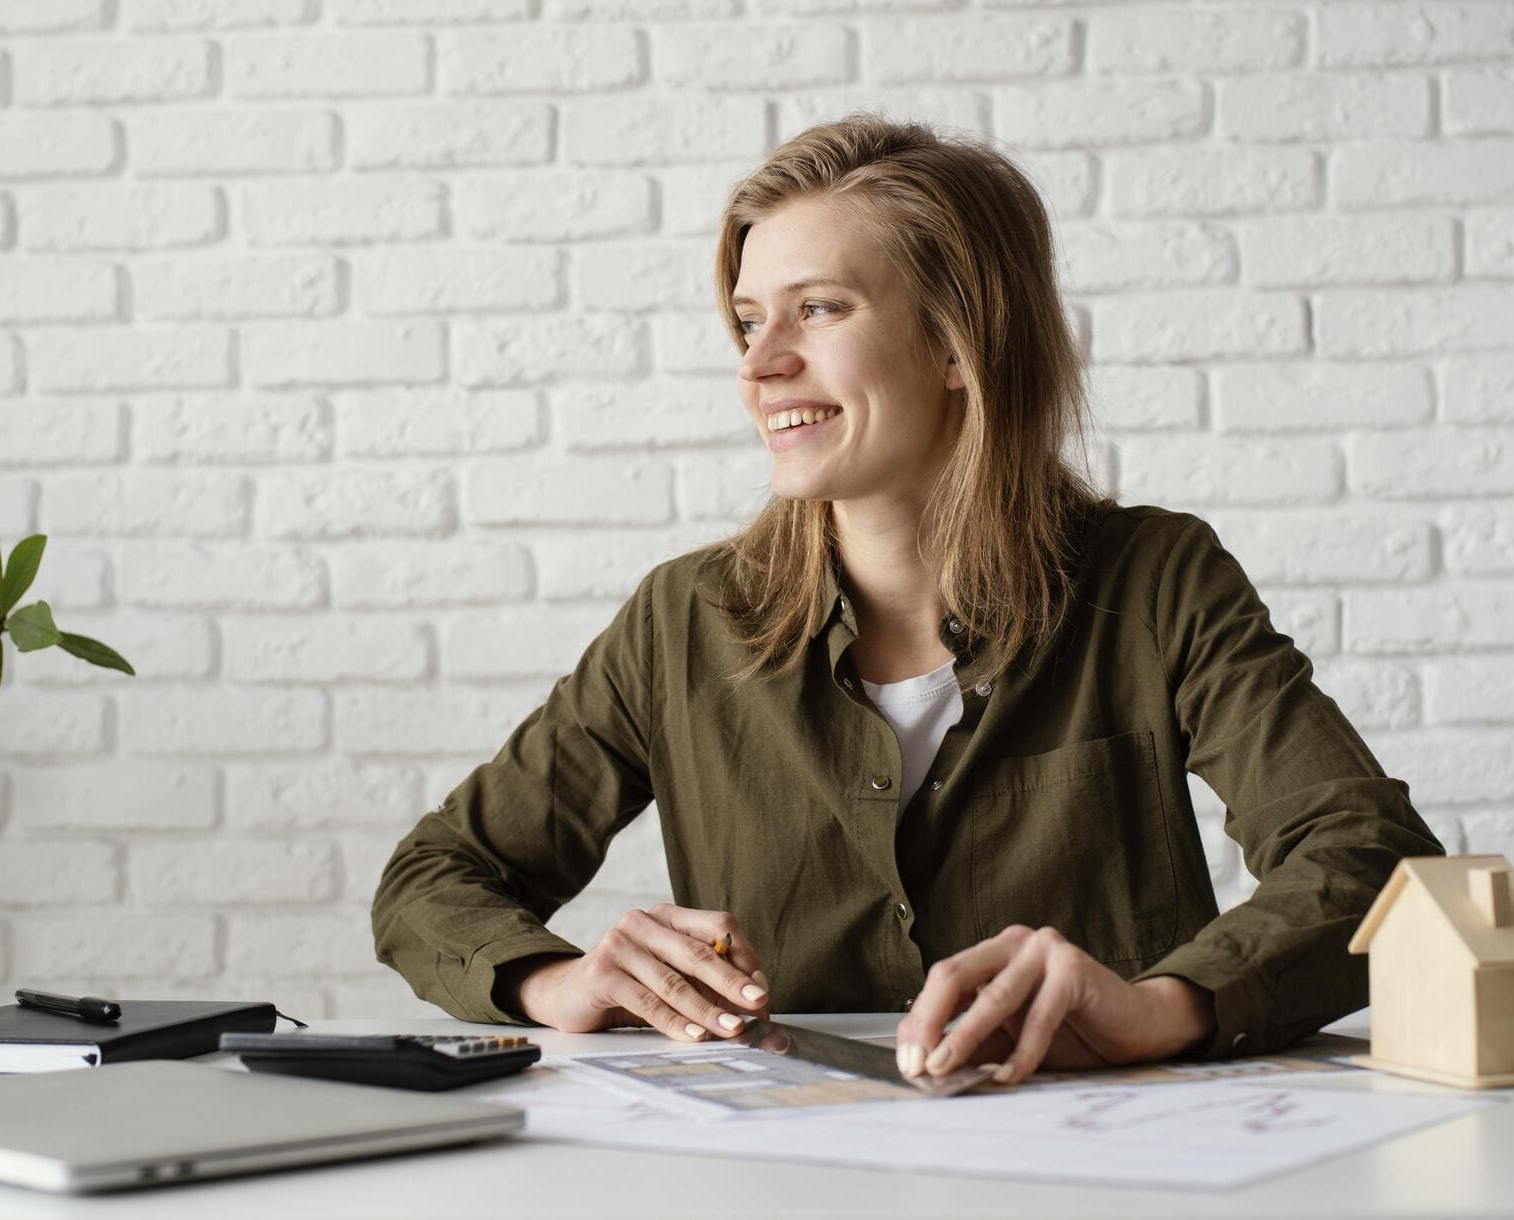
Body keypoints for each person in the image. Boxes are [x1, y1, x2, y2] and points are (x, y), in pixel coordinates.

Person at [372, 114, 1444, 1085]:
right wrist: (557, 982)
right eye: (748, 320)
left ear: (955, 341)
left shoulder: (1154, 580)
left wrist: (1157, 1008)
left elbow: (1371, 859)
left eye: (818, 308)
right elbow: (434, 876)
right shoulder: (682, 619)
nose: (760, 364)